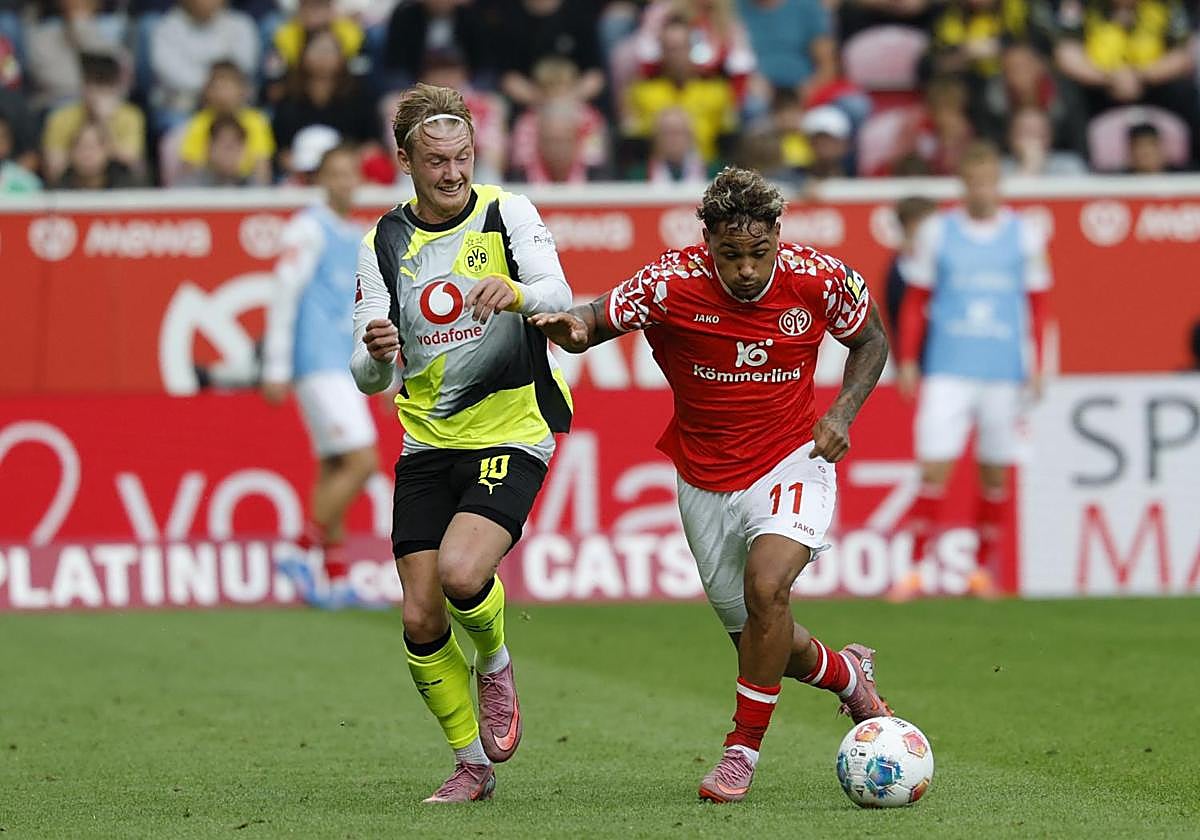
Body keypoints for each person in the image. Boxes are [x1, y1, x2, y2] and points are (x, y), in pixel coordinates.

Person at [530, 166, 893, 803]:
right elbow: (593, 321)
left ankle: (739, 754)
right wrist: (572, 330)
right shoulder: (669, 282)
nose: (747, 270)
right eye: (731, 256)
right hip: (704, 479)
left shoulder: (822, 277)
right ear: (708, 244)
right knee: (765, 640)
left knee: (767, 587)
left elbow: (870, 342)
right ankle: (846, 675)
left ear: (780, 235)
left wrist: (840, 413)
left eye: (759, 253)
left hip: (793, 459)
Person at [351, 83, 574, 803]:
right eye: (437, 161)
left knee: (459, 573)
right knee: (418, 614)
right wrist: (378, 354)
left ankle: (496, 663)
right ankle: (471, 764)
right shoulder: (382, 242)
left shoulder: (508, 212)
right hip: (427, 442)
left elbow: (558, 295)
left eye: (463, 158)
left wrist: (517, 291)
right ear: (405, 160)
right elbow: (365, 375)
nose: (453, 173)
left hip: (512, 427)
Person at [890, 140, 1050, 601]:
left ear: (999, 184)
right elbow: (916, 302)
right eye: (973, 182)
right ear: (963, 184)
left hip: (1003, 369)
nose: (981, 190)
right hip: (948, 368)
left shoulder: (1024, 235)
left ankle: (981, 573)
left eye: (988, 181)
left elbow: (1039, 307)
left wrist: (1039, 364)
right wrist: (907, 359)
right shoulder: (938, 232)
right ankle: (915, 571)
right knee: (933, 466)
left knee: (995, 472)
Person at [262, 144, 378, 605]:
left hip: (344, 365)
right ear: (321, 179)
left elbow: (366, 308)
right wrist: (275, 365)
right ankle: (300, 548)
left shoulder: (356, 233)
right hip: (316, 363)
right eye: (335, 173)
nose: (344, 181)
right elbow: (284, 292)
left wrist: (383, 374)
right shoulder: (307, 229)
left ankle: (334, 577)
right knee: (362, 462)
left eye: (350, 173)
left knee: (335, 467)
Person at [42, 52, 146, 185]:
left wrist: (103, 122)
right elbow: (54, 169)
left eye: (107, 87)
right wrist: (83, 151)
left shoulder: (130, 116)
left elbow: (131, 162)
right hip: (71, 187)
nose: (100, 95)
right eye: (95, 86)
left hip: (116, 186)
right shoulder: (61, 117)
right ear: (84, 86)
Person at [178, 61, 274, 186]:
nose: (222, 94)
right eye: (217, 87)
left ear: (242, 90)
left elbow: (262, 168)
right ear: (207, 92)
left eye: (228, 87)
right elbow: (189, 169)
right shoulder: (198, 123)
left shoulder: (256, 122)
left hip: (246, 186)